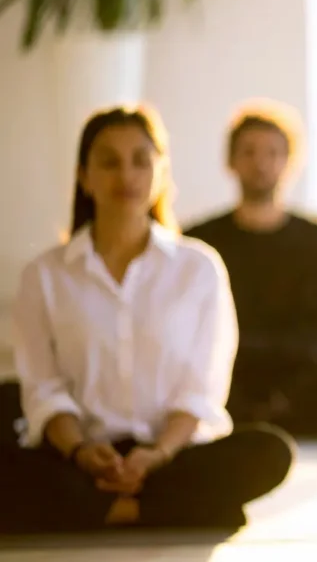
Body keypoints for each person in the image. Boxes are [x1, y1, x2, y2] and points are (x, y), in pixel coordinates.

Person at [0, 106, 294, 533]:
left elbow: (200, 390)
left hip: (169, 458)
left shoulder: (199, 268)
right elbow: (42, 388)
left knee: (270, 451)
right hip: (77, 459)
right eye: (109, 161)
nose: (127, 175)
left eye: (141, 160)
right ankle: (156, 511)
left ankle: (94, 513)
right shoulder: (44, 275)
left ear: (160, 172)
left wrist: (156, 454)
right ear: (84, 176)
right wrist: (82, 451)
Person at [185, 102, 317, 439]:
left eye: (272, 152)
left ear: (290, 162)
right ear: (231, 161)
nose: (260, 163)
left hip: (303, 385)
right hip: (227, 382)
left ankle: (272, 421)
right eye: (249, 151)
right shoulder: (198, 244)